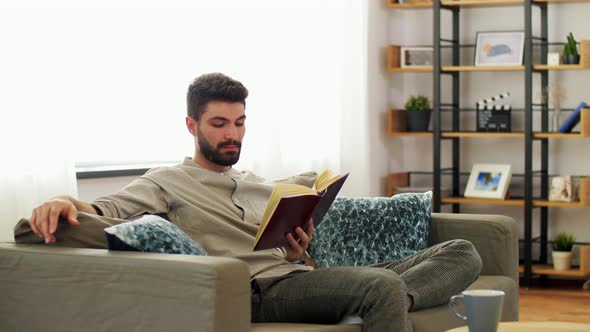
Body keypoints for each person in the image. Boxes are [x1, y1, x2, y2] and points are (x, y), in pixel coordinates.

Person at [27, 73, 482, 332]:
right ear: (192, 125)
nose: (232, 135)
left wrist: (300, 248)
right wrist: (60, 198)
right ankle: (383, 299)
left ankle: (390, 300)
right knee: (378, 285)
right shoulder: (166, 180)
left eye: (240, 123)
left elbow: (291, 246)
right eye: (220, 123)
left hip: (301, 272)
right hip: (262, 292)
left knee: (462, 252)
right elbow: (105, 210)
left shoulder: (255, 181)